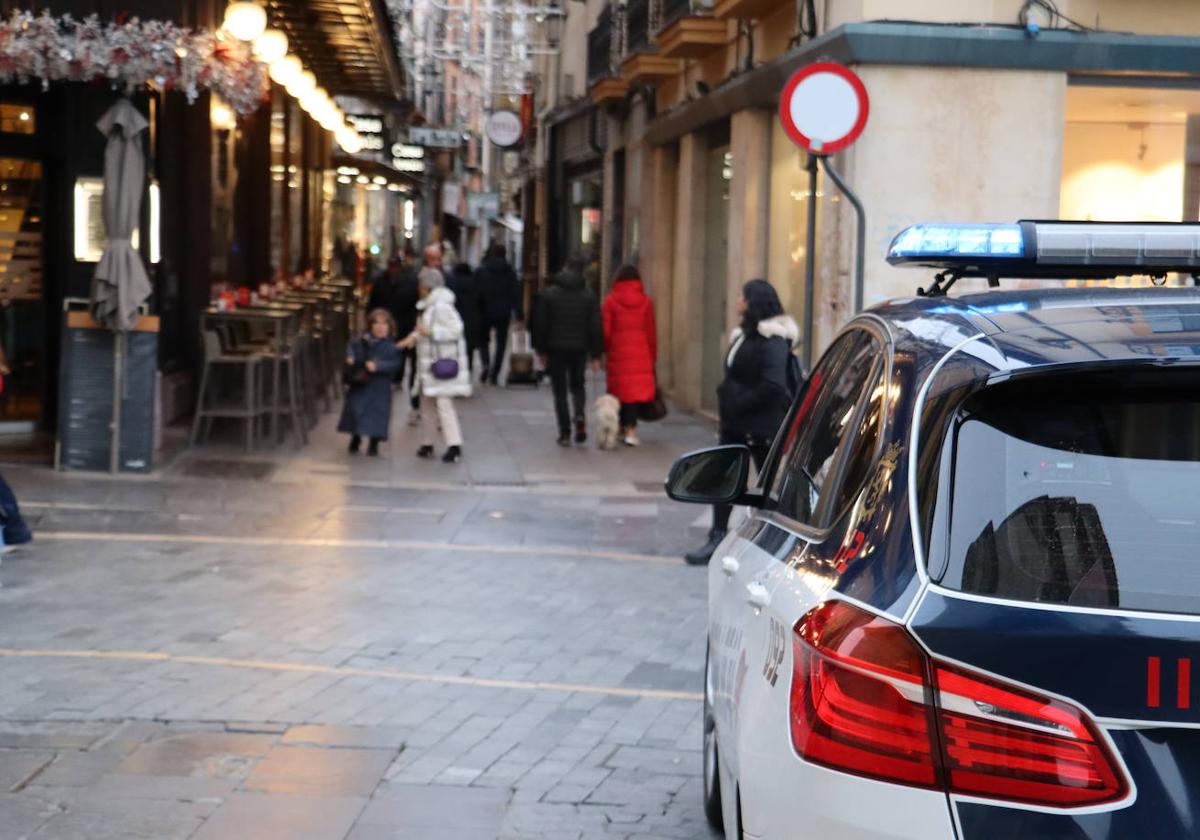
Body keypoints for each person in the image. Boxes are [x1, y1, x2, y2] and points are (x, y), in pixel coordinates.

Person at [685, 279, 798, 565]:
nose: (736, 300)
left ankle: (780, 545)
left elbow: (774, 384)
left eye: (741, 296)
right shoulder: (743, 335)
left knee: (770, 490)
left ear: (752, 301)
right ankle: (717, 537)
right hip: (735, 425)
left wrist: (738, 401)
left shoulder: (773, 338)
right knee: (722, 478)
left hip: (760, 428)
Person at [399, 267, 471, 463]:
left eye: (421, 285)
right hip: (429, 364)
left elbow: (455, 330)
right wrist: (411, 339)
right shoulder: (430, 306)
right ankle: (428, 442)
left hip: (439, 363)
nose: (418, 288)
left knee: (443, 404)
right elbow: (423, 330)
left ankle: (454, 445)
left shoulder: (441, 306)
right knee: (427, 404)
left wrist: (430, 333)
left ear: (426, 286)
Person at [533, 255, 603, 446]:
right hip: (580, 349)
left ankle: (565, 431)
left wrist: (541, 350)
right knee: (578, 386)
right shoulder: (589, 295)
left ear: (564, 269)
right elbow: (595, 326)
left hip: (556, 349)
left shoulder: (549, 294)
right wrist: (596, 354)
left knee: (560, 391)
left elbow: (541, 324)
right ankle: (579, 416)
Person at [602, 264, 657, 447]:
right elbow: (651, 332)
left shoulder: (610, 301)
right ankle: (631, 431)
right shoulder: (646, 302)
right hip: (641, 352)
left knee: (620, 392)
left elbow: (606, 332)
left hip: (619, 353)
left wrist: (606, 350)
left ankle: (619, 426)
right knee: (633, 394)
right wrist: (652, 355)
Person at [338, 308, 402, 457]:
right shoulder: (360, 341)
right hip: (361, 382)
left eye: (384, 324)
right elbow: (351, 348)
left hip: (380, 386)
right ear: (370, 325)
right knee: (356, 410)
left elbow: (395, 364)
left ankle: (374, 442)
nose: (380, 327)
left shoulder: (391, 347)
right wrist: (350, 358)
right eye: (377, 323)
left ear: (389, 327)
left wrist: (379, 366)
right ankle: (356, 437)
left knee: (378, 414)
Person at [476, 242, 522, 385]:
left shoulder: (482, 270)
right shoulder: (510, 272)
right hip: (503, 312)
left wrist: (476, 308)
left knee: (483, 340)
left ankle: (485, 364)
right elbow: (515, 293)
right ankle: (495, 373)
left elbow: (476, 292)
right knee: (501, 344)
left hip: (485, 311)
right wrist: (519, 312)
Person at [447, 262, 484, 376]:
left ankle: (456, 371)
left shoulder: (452, 282)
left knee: (456, 347)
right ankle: (468, 370)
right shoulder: (475, 283)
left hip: (455, 318)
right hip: (472, 319)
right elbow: (481, 301)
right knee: (469, 348)